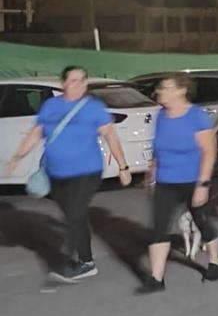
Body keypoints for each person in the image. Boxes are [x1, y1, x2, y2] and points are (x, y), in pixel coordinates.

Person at [4, 65, 132, 282]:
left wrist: (123, 167)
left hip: (87, 172)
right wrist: (17, 157)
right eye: (74, 80)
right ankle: (83, 254)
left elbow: (110, 136)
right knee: (76, 217)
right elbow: (37, 133)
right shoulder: (51, 106)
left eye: (83, 80)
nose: (80, 84)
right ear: (63, 83)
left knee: (74, 214)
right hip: (56, 174)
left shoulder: (93, 107)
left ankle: (85, 262)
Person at [139, 73, 218, 292]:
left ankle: (215, 262)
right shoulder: (161, 116)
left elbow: (209, 152)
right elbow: (158, 148)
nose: (160, 91)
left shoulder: (196, 116)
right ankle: (157, 279)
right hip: (166, 182)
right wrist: (151, 174)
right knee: (159, 228)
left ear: (180, 90)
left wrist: (203, 185)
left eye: (165, 87)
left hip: (192, 181)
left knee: (202, 223)